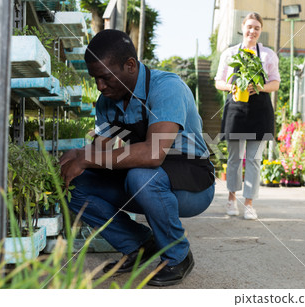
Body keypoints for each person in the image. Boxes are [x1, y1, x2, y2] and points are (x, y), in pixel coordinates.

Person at [60, 30, 215, 286]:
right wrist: (79, 156)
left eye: (105, 77)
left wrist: (86, 158)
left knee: (142, 175)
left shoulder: (167, 88)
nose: (99, 86)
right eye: (95, 78)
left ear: (130, 65)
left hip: (192, 184)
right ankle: (139, 244)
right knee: (76, 183)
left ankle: (178, 256)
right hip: (145, 180)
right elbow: (101, 152)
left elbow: (153, 153)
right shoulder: (106, 102)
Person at [214, 12, 280, 220]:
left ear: (260, 31)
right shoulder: (230, 53)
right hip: (235, 109)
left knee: (253, 159)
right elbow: (218, 81)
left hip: (260, 111)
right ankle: (232, 199)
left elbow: (275, 83)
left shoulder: (268, 55)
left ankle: (249, 203)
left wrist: (259, 86)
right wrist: (233, 86)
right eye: (249, 26)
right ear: (242, 28)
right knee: (234, 158)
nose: (252, 31)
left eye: (257, 28)